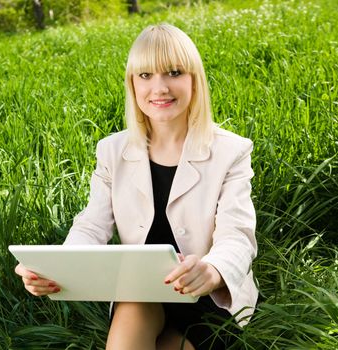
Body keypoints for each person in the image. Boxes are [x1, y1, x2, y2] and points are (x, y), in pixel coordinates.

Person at [15, 23, 258, 349]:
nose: (159, 88)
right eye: (145, 75)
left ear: (194, 79)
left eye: (173, 72)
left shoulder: (231, 151)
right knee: (132, 307)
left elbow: (237, 236)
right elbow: (91, 226)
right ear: (132, 83)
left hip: (207, 296)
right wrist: (59, 268)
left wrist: (212, 270)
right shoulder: (112, 151)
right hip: (141, 293)